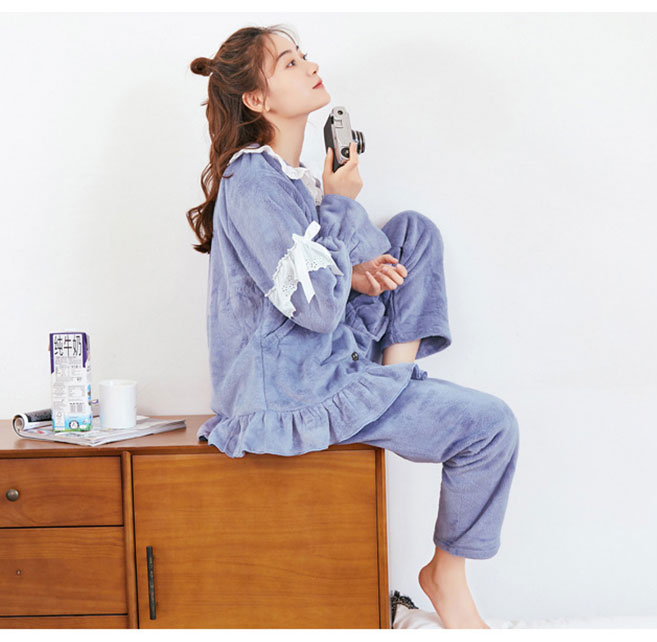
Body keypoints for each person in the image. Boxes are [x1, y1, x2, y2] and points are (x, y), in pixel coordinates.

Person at [186, 24, 519, 629]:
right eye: (290, 63)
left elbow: (343, 268)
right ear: (257, 99)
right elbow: (315, 308)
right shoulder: (251, 180)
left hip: (323, 357)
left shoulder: (291, 178)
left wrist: (356, 265)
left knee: (413, 232)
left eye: (304, 56)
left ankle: (391, 381)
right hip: (288, 391)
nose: (310, 66)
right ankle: (445, 574)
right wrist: (340, 202)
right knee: (491, 425)